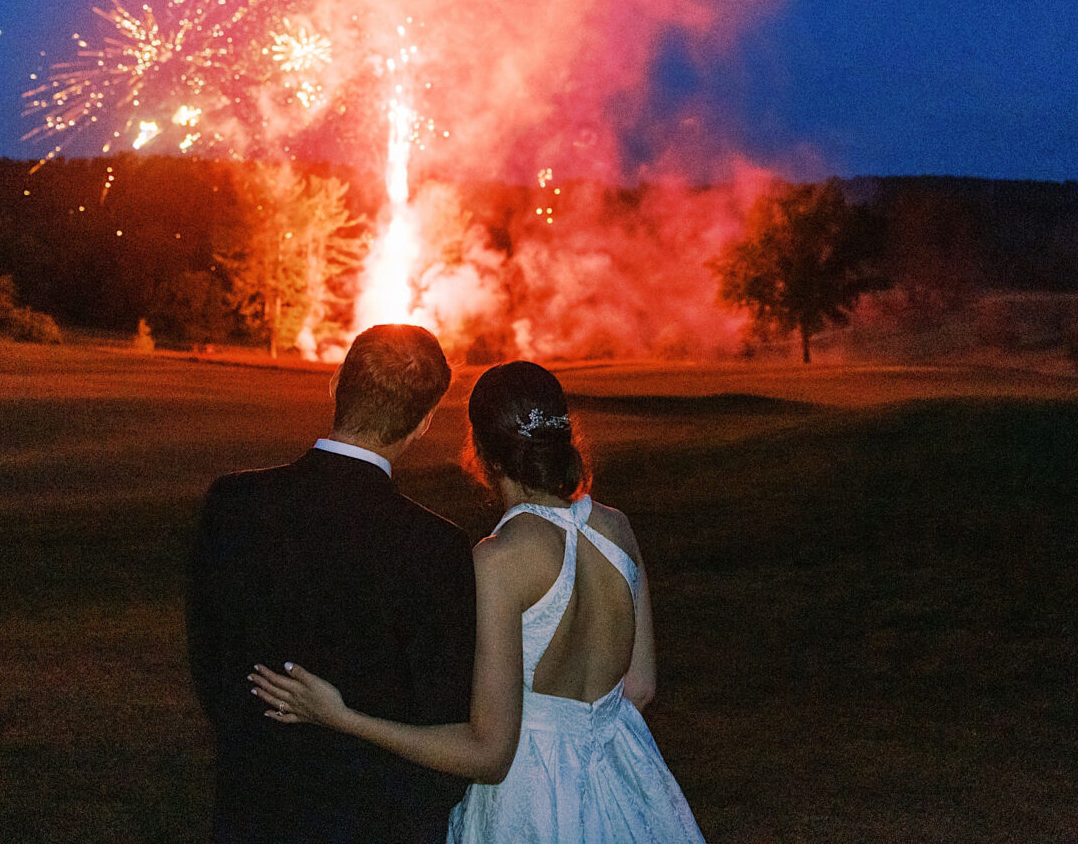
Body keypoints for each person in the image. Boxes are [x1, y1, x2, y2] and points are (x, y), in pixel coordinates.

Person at [249, 360, 706, 843]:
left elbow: (488, 757)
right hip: (625, 783)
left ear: (481, 452)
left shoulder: (500, 559)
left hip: (529, 801)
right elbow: (638, 688)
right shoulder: (617, 527)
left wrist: (342, 717)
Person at [186, 324, 475, 844]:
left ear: (337, 383)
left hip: (255, 807)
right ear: (425, 423)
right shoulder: (438, 547)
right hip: (380, 818)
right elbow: (445, 714)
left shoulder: (235, 502)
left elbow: (212, 665)